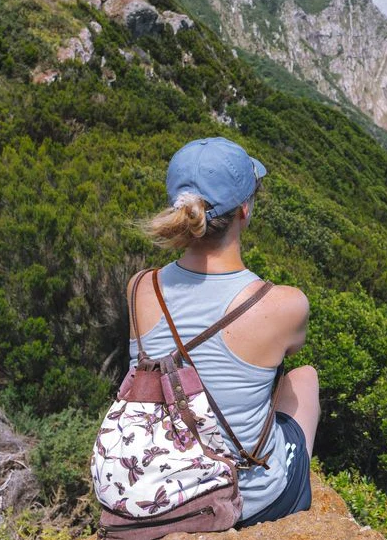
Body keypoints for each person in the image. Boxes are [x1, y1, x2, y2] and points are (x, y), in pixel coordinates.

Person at [127, 137, 319, 526]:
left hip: (158, 491)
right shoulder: (284, 304)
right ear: (244, 211)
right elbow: (292, 352)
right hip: (243, 502)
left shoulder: (140, 287)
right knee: (305, 377)